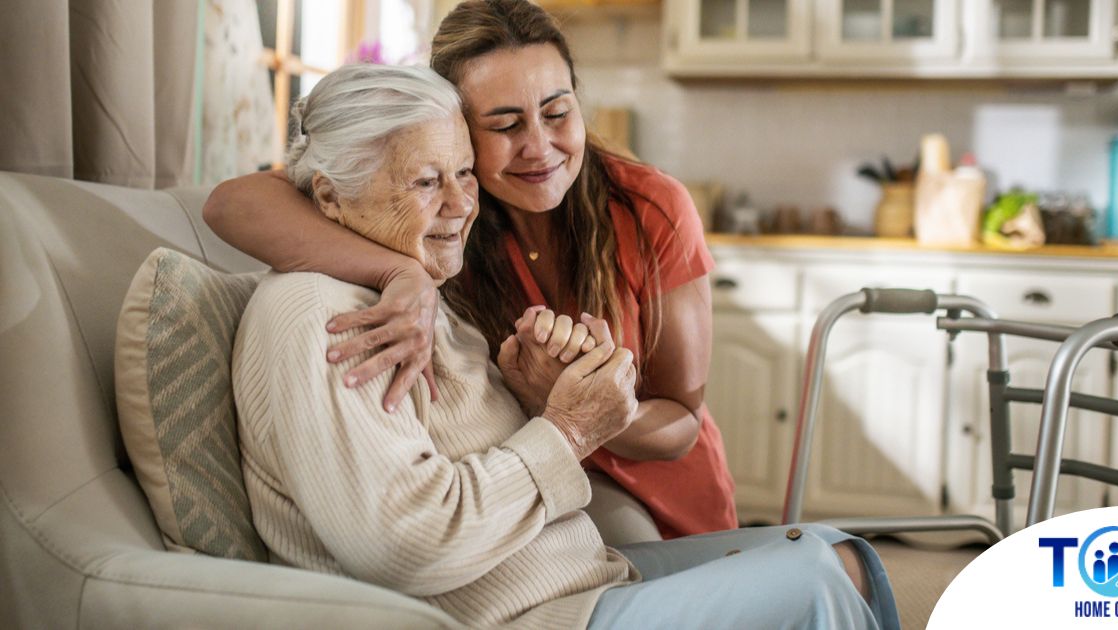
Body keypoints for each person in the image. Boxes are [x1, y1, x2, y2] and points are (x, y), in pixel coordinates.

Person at [233, 62, 899, 629]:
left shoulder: (411, 289)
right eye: (426, 182)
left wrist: (541, 390)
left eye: (463, 173)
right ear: (330, 197)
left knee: (839, 553)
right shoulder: (324, 319)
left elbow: (473, 448)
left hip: (579, 579)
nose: (461, 205)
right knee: (814, 578)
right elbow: (406, 543)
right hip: (533, 616)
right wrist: (569, 427)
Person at [205, 0, 734, 542]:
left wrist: (582, 406)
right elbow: (231, 204)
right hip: (535, 492)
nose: (539, 148)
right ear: (457, 127)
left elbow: (682, 423)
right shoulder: (447, 220)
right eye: (504, 124)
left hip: (668, 501)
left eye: (557, 113)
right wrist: (402, 274)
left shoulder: (649, 207)